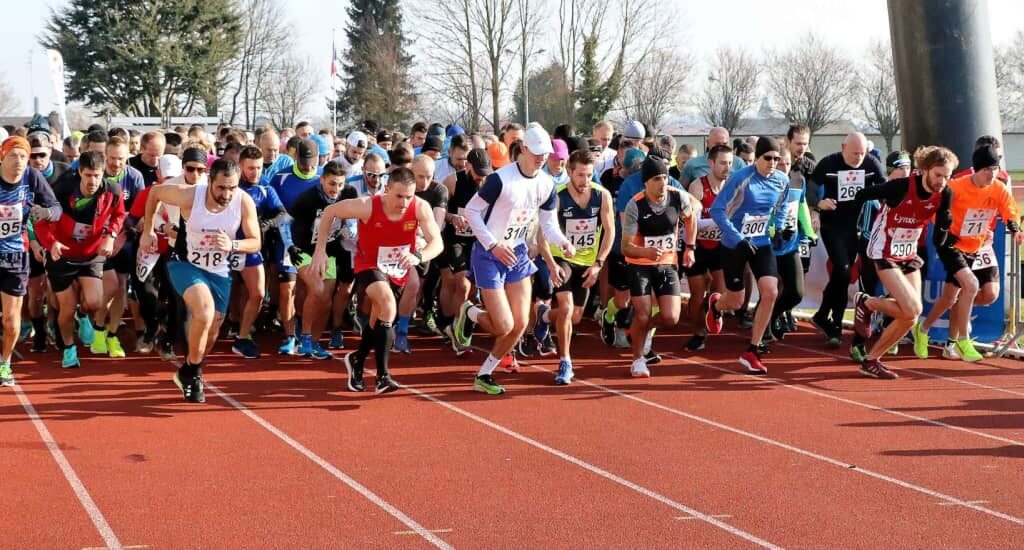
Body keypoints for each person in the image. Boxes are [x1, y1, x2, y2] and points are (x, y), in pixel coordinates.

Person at [452, 126, 575, 395]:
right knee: (504, 325)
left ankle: (484, 374)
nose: (543, 158)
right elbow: (472, 212)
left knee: (519, 325)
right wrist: (493, 245)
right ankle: (470, 312)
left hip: (517, 254)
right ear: (524, 150)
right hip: (489, 254)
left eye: (547, 154)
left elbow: (549, 225)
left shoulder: (546, 184)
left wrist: (563, 242)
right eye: (538, 153)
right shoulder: (500, 179)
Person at [310, 167, 443, 394]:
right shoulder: (367, 205)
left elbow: (437, 244)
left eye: (409, 196)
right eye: (399, 196)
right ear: (387, 189)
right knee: (389, 306)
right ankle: (383, 376)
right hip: (368, 265)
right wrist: (320, 249)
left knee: (378, 321)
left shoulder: (420, 207)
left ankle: (357, 360)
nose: (404, 202)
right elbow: (330, 211)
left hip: (398, 269)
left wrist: (418, 256)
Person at [140, 159, 262, 402]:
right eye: (221, 188)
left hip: (218, 269)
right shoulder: (189, 196)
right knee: (203, 312)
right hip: (185, 263)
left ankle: (188, 370)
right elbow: (154, 193)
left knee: (212, 328)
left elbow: (255, 242)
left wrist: (233, 244)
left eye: (232, 188)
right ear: (209, 182)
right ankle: (194, 374)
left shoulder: (243, 201)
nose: (227, 194)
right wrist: (148, 230)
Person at [851, 146, 956, 379]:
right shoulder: (901, 186)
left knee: (910, 316)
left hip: (908, 253)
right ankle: (868, 304)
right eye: (938, 175)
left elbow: (939, 238)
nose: (942, 181)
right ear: (925, 170)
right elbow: (863, 195)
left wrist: (945, 226)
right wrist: (851, 227)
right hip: (883, 250)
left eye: (947, 176)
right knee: (913, 308)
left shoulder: (945, 193)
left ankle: (871, 360)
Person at [912, 145, 1022, 361]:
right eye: (986, 170)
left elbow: (1010, 209)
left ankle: (922, 329)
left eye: (994, 168)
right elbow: (934, 209)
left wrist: (1014, 227)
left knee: (949, 297)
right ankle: (963, 340)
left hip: (975, 246)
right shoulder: (956, 187)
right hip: (951, 246)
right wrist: (945, 229)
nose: (991, 174)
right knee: (970, 285)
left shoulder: (998, 188)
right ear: (976, 170)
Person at [706, 137, 789, 375]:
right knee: (736, 300)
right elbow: (717, 210)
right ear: (758, 158)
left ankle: (753, 349)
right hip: (734, 243)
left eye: (777, 158)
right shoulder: (741, 179)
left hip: (761, 241)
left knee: (771, 291)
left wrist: (780, 227)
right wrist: (737, 237)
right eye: (768, 158)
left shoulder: (782, 181)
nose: (773, 163)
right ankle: (717, 305)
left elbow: (782, 206)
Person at [34, 151, 124, 370]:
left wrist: (111, 236)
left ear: (103, 173)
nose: (93, 181)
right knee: (66, 308)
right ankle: (68, 348)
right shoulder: (61, 191)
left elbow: (119, 215)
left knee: (94, 302)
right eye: (88, 176)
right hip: (62, 254)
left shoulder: (112, 191)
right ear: (79, 173)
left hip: (90, 254)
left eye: (97, 175)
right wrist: (50, 243)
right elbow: (39, 221)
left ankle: (83, 316)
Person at [535, 150, 614, 383]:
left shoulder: (602, 196)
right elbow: (541, 237)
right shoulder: (557, 197)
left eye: (589, 175)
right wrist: (550, 264)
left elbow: (610, 231)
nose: (585, 181)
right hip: (563, 260)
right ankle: (565, 362)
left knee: (575, 317)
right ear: (569, 172)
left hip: (588, 263)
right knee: (567, 310)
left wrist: (599, 264)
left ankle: (545, 316)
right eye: (580, 175)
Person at [809, 132, 887, 348]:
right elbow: (810, 189)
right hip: (832, 225)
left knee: (843, 274)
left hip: (855, 226)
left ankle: (825, 316)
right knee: (842, 269)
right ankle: (832, 323)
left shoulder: (871, 163)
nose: (858, 158)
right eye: (854, 154)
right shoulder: (829, 162)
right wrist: (819, 203)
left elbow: (885, 189)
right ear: (843, 147)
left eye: (862, 153)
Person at [620, 155, 695, 377]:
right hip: (639, 263)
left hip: (667, 263)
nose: (662, 183)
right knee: (642, 313)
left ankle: (639, 332)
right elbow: (626, 247)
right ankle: (637, 360)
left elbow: (691, 219)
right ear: (646, 182)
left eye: (664, 177)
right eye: (656, 179)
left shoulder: (678, 197)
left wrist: (690, 247)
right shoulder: (636, 204)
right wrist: (646, 252)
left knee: (671, 317)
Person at [0, 137, 61, 386]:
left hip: (15, 254)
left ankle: (4, 364)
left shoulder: (32, 177)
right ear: (2, 156)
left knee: (10, 319)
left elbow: (55, 207)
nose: (19, 161)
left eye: (23, 157)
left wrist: (47, 213)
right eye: (13, 156)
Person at [288, 161, 357, 359]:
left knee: (326, 300)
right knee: (316, 289)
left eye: (340, 185)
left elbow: (354, 218)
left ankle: (316, 342)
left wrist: (351, 229)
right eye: (332, 184)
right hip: (304, 249)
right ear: (322, 180)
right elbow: (288, 225)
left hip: (330, 251)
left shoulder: (349, 194)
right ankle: (306, 338)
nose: (336, 189)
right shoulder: (307, 199)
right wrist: (292, 249)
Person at [228, 145, 291, 359]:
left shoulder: (265, 187)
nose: (255, 172)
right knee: (228, 291)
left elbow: (282, 214)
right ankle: (228, 324)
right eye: (250, 168)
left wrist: (266, 223)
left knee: (257, 293)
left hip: (251, 248)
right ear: (240, 167)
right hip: (224, 247)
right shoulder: (230, 187)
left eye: (258, 168)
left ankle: (242, 336)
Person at [88, 136, 145, 358]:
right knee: (108, 287)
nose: (116, 163)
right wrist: (108, 235)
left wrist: (123, 234)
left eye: (121, 159)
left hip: (125, 240)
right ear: (105, 156)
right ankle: (98, 328)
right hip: (99, 242)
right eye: (112, 158)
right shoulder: (96, 177)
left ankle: (111, 335)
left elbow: (139, 213)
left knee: (121, 287)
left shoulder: (134, 177)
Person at [393, 155, 447, 353]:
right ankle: (386, 327)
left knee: (415, 287)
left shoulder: (439, 190)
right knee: (393, 290)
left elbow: (437, 226)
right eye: (419, 177)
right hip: (394, 244)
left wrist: (421, 241)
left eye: (429, 176)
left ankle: (402, 329)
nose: (424, 182)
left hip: (422, 246)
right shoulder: (399, 187)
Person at [439, 148, 490, 352]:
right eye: (478, 172)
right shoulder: (452, 181)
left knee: (474, 287)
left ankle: (460, 323)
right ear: (468, 166)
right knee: (462, 283)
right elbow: (437, 209)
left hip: (478, 241)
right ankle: (455, 326)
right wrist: (452, 217)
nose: (481, 177)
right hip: (455, 239)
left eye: (485, 173)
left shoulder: (491, 183)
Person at [683, 144, 733, 351]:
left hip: (720, 246)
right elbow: (691, 219)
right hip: (698, 245)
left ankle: (713, 310)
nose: (727, 168)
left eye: (730, 163)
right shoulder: (697, 186)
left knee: (719, 292)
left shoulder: (732, 186)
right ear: (711, 164)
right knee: (697, 293)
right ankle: (697, 333)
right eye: (722, 163)